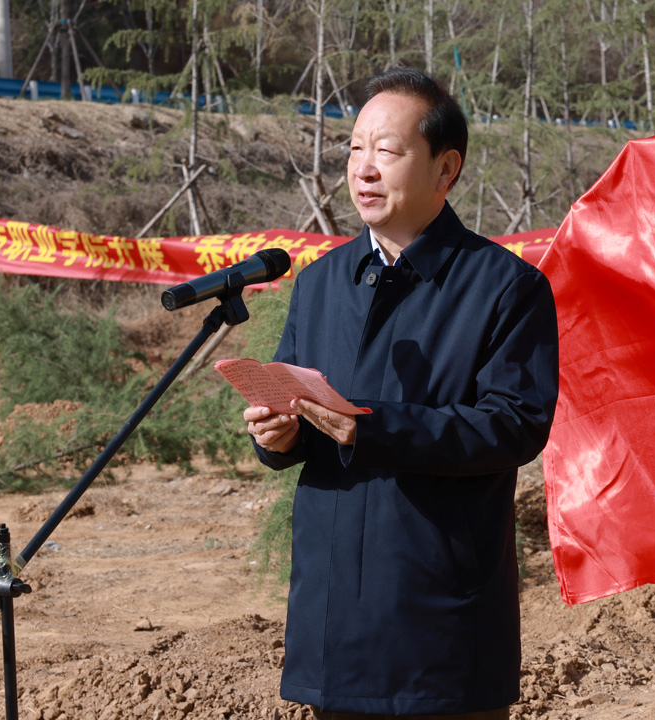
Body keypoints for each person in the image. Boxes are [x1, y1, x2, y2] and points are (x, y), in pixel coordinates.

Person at [244, 67, 559, 720]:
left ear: (446, 169)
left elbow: (515, 426)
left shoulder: (505, 288)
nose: (363, 169)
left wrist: (368, 425)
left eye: (386, 151)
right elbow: (295, 411)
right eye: (354, 149)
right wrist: (279, 435)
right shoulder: (322, 282)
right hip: (334, 616)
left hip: (437, 616)